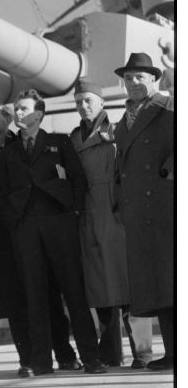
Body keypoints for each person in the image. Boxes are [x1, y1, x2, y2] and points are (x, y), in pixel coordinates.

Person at [0, 89, 106, 376]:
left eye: (23, 109)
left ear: (39, 113)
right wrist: (15, 223)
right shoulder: (8, 152)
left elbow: (78, 180)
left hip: (60, 224)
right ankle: (41, 362)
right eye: (16, 109)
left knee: (74, 292)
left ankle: (91, 358)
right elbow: (3, 192)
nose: (18, 114)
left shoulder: (58, 142)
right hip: (26, 229)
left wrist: (74, 212)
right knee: (35, 296)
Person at [0, 104, 81, 377]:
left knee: (49, 295)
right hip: (2, 240)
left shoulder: (22, 147)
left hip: (32, 231)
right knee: (16, 301)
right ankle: (27, 359)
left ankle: (65, 354)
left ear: (9, 120)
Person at [71, 79, 153, 368]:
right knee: (100, 286)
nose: (83, 106)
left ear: (101, 102)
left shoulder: (118, 130)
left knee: (128, 284)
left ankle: (143, 353)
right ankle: (110, 355)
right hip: (89, 214)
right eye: (78, 101)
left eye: (88, 100)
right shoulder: (72, 138)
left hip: (117, 211)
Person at [113, 53, 174, 370]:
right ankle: (173, 352)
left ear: (154, 79)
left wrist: (170, 171)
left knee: (171, 277)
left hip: (165, 204)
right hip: (138, 209)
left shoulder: (169, 109)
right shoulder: (125, 119)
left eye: (139, 77)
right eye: (128, 78)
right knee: (157, 283)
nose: (133, 82)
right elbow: (120, 162)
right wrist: (117, 199)